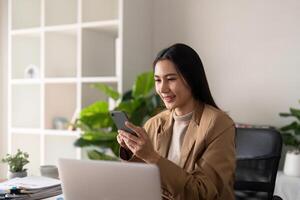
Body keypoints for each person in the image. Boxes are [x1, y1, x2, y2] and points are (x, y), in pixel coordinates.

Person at [117, 43, 236, 200]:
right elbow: (138, 185)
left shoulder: (218, 124)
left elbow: (202, 193)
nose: (163, 89)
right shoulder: (155, 123)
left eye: (171, 79)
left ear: (191, 79)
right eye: (158, 80)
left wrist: (153, 157)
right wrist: (132, 151)